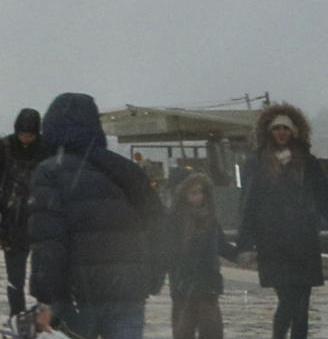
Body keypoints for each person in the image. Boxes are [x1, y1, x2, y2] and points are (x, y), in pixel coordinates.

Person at [28, 91, 162, 339]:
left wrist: (47, 299)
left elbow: (49, 241)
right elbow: (158, 226)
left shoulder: (49, 173)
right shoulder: (126, 170)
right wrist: (151, 278)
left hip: (80, 295)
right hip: (128, 290)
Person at [237, 102, 328, 339]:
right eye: (277, 128)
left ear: (294, 131)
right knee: (288, 299)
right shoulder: (256, 163)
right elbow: (248, 205)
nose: (281, 133)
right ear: (269, 131)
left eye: (286, 128)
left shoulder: (308, 162)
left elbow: (323, 199)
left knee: (302, 305)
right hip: (273, 242)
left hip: (303, 241)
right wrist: (245, 244)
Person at [0, 107, 55, 317]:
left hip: (41, 217)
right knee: (15, 276)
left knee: (44, 272)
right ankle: (17, 315)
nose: (25, 139)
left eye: (30, 135)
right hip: (12, 219)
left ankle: (44, 313)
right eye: (22, 134)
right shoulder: (3, 148)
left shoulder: (47, 149)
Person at [165, 172, 225, 339]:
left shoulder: (211, 220)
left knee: (211, 332)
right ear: (184, 195)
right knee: (184, 332)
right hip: (183, 285)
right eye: (194, 192)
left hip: (208, 285)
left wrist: (243, 254)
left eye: (201, 192)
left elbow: (222, 245)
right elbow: (167, 253)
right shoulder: (175, 220)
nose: (199, 196)